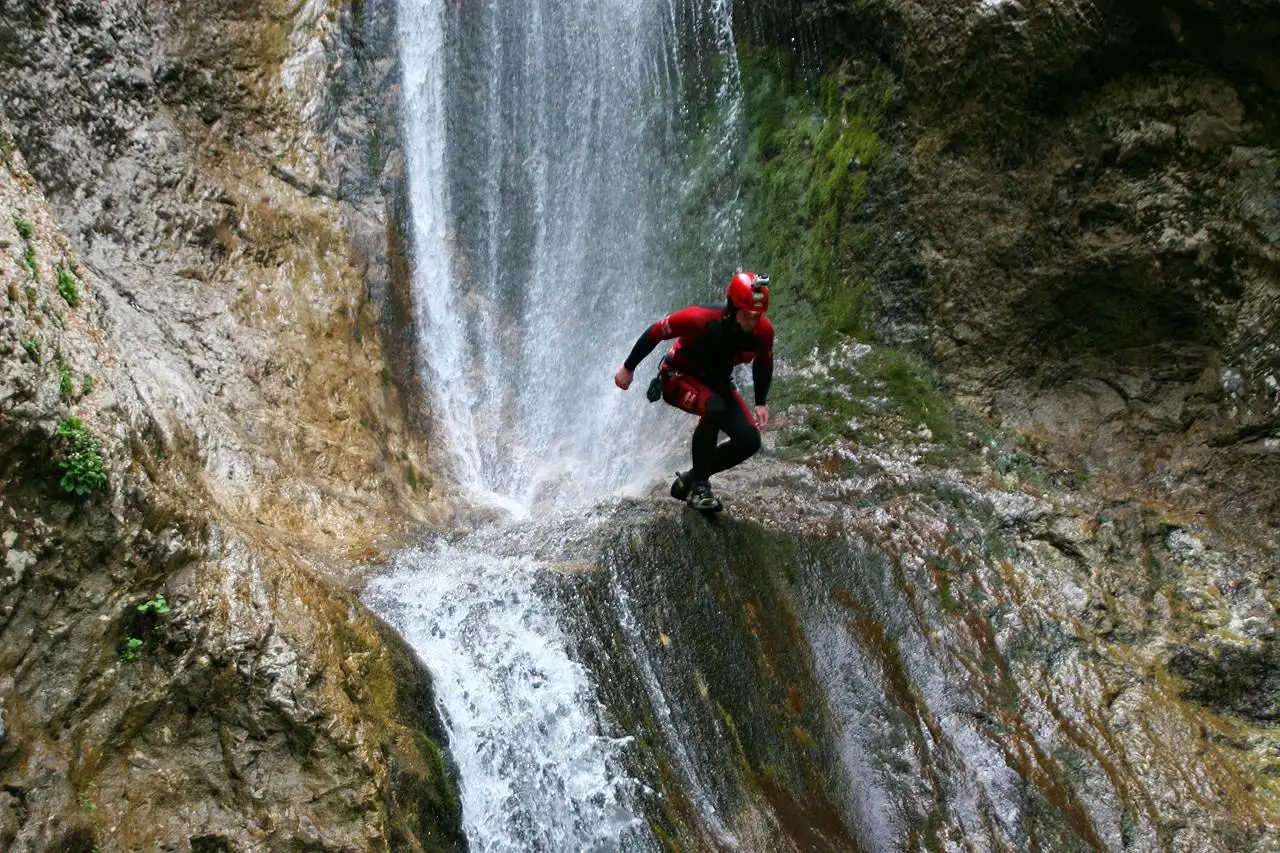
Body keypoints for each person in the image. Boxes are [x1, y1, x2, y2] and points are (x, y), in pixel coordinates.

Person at [614, 271, 774, 512]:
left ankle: (688, 480)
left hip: (717, 382)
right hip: (678, 377)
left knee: (749, 440)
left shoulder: (763, 332)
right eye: (748, 315)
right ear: (733, 307)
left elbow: (764, 363)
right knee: (715, 408)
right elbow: (655, 331)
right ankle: (700, 488)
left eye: (758, 316)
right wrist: (628, 368)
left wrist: (761, 401)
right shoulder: (699, 318)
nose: (753, 323)